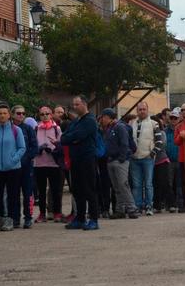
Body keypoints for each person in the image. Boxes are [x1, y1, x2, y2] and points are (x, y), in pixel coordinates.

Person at [61, 95, 100, 230]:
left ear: (84, 104)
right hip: (75, 160)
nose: (75, 107)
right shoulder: (76, 121)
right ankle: (80, 218)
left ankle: (94, 219)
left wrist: (73, 138)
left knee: (89, 189)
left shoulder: (90, 120)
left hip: (87, 159)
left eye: (77, 104)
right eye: (74, 105)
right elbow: (65, 137)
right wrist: (72, 139)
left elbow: (78, 135)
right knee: (77, 190)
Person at [0, 102, 26, 232]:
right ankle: (0, 219)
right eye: (0, 113)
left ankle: (11, 219)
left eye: (5, 113)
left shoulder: (17, 130)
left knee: (13, 195)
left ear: (9, 115)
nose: (3, 115)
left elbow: (22, 148)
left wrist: (13, 160)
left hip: (14, 168)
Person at [100, 108, 138, 219]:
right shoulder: (109, 128)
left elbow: (124, 143)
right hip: (111, 160)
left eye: (103, 117)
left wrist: (122, 158)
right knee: (116, 187)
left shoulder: (119, 127)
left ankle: (132, 208)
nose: (102, 119)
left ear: (108, 117)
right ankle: (119, 209)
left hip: (120, 161)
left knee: (123, 184)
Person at [34, 105, 64, 223]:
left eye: (47, 114)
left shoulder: (57, 129)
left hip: (53, 163)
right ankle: (42, 214)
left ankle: (57, 212)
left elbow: (61, 146)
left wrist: (53, 149)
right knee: (41, 191)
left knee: (55, 190)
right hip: (39, 163)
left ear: (51, 115)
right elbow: (32, 145)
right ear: (39, 116)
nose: (45, 116)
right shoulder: (36, 128)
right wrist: (39, 149)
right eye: (42, 114)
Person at [12, 105, 38, 229]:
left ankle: (28, 218)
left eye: (23, 113)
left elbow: (34, 146)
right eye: (18, 113)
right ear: (12, 114)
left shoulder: (28, 129)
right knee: (14, 193)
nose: (21, 115)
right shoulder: (9, 129)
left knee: (27, 193)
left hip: (26, 166)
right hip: (13, 166)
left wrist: (27, 158)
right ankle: (15, 218)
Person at [129, 102, 157, 215]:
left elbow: (159, 140)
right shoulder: (131, 124)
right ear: (137, 111)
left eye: (144, 109)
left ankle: (149, 205)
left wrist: (153, 153)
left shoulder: (154, 123)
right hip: (134, 158)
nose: (142, 111)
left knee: (148, 184)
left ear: (147, 110)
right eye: (140, 109)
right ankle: (138, 206)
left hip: (148, 158)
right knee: (136, 185)